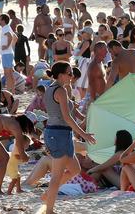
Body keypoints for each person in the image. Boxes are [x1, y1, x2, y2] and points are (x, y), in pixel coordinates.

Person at [42, 61, 96, 214]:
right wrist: (83, 134)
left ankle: (48, 195)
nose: (72, 76)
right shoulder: (59, 90)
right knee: (56, 176)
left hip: (59, 133)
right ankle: (49, 210)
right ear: (60, 75)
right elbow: (66, 117)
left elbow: (67, 113)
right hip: (58, 134)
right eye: (69, 73)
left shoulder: (55, 88)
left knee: (75, 169)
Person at [0, 14, 15, 95]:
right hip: (8, 53)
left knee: (7, 73)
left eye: (0, 20)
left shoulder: (5, 28)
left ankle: (9, 91)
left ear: (4, 20)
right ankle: (12, 90)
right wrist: (10, 46)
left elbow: (11, 36)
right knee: (10, 73)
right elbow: (15, 37)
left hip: (7, 54)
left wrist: (7, 46)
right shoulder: (7, 27)